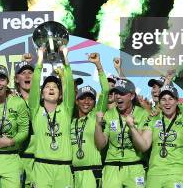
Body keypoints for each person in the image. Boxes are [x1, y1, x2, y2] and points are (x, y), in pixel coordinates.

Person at [133, 83, 183, 188]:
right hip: (154, 173)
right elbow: (143, 146)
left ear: (177, 101)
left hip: (176, 173)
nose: (167, 103)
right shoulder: (153, 119)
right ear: (159, 103)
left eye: (171, 99)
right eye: (163, 99)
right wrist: (132, 128)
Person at [29, 45, 75, 188]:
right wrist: (40, 60)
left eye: (54, 87)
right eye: (47, 87)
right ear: (42, 94)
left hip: (64, 170)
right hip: (41, 168)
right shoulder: (36, 111)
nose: (50, 88)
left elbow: (69, 88)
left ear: (60, 94)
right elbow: (35, 85)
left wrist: (65, 61)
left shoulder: (66, 110)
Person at [95, 78, 150, 187]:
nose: (118, 96)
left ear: (132, 96)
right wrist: (97, 125)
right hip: (112, 167)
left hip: (135, 167)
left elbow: (142, 147)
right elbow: (101, 145)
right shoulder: (109, 114)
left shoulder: (142, 114)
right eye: (116, 93)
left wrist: (132, 127)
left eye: (122, 93)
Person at [70, 52, 110, 188]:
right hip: (72, 173)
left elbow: (105, 91)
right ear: (76, 101)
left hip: (92, 172)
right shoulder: (71, 122)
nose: (86, 101)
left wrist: (98, 65)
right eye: (83, 98)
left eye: (90, 98)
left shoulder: (95, 116)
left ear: (94, 102)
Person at [14, 55, 36, 187]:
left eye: (30, 72)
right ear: (17, 79)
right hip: (18, 158)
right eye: (23, 73)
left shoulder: (44, 101)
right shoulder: (11, 101)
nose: (27, 76)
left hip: (38, 160)